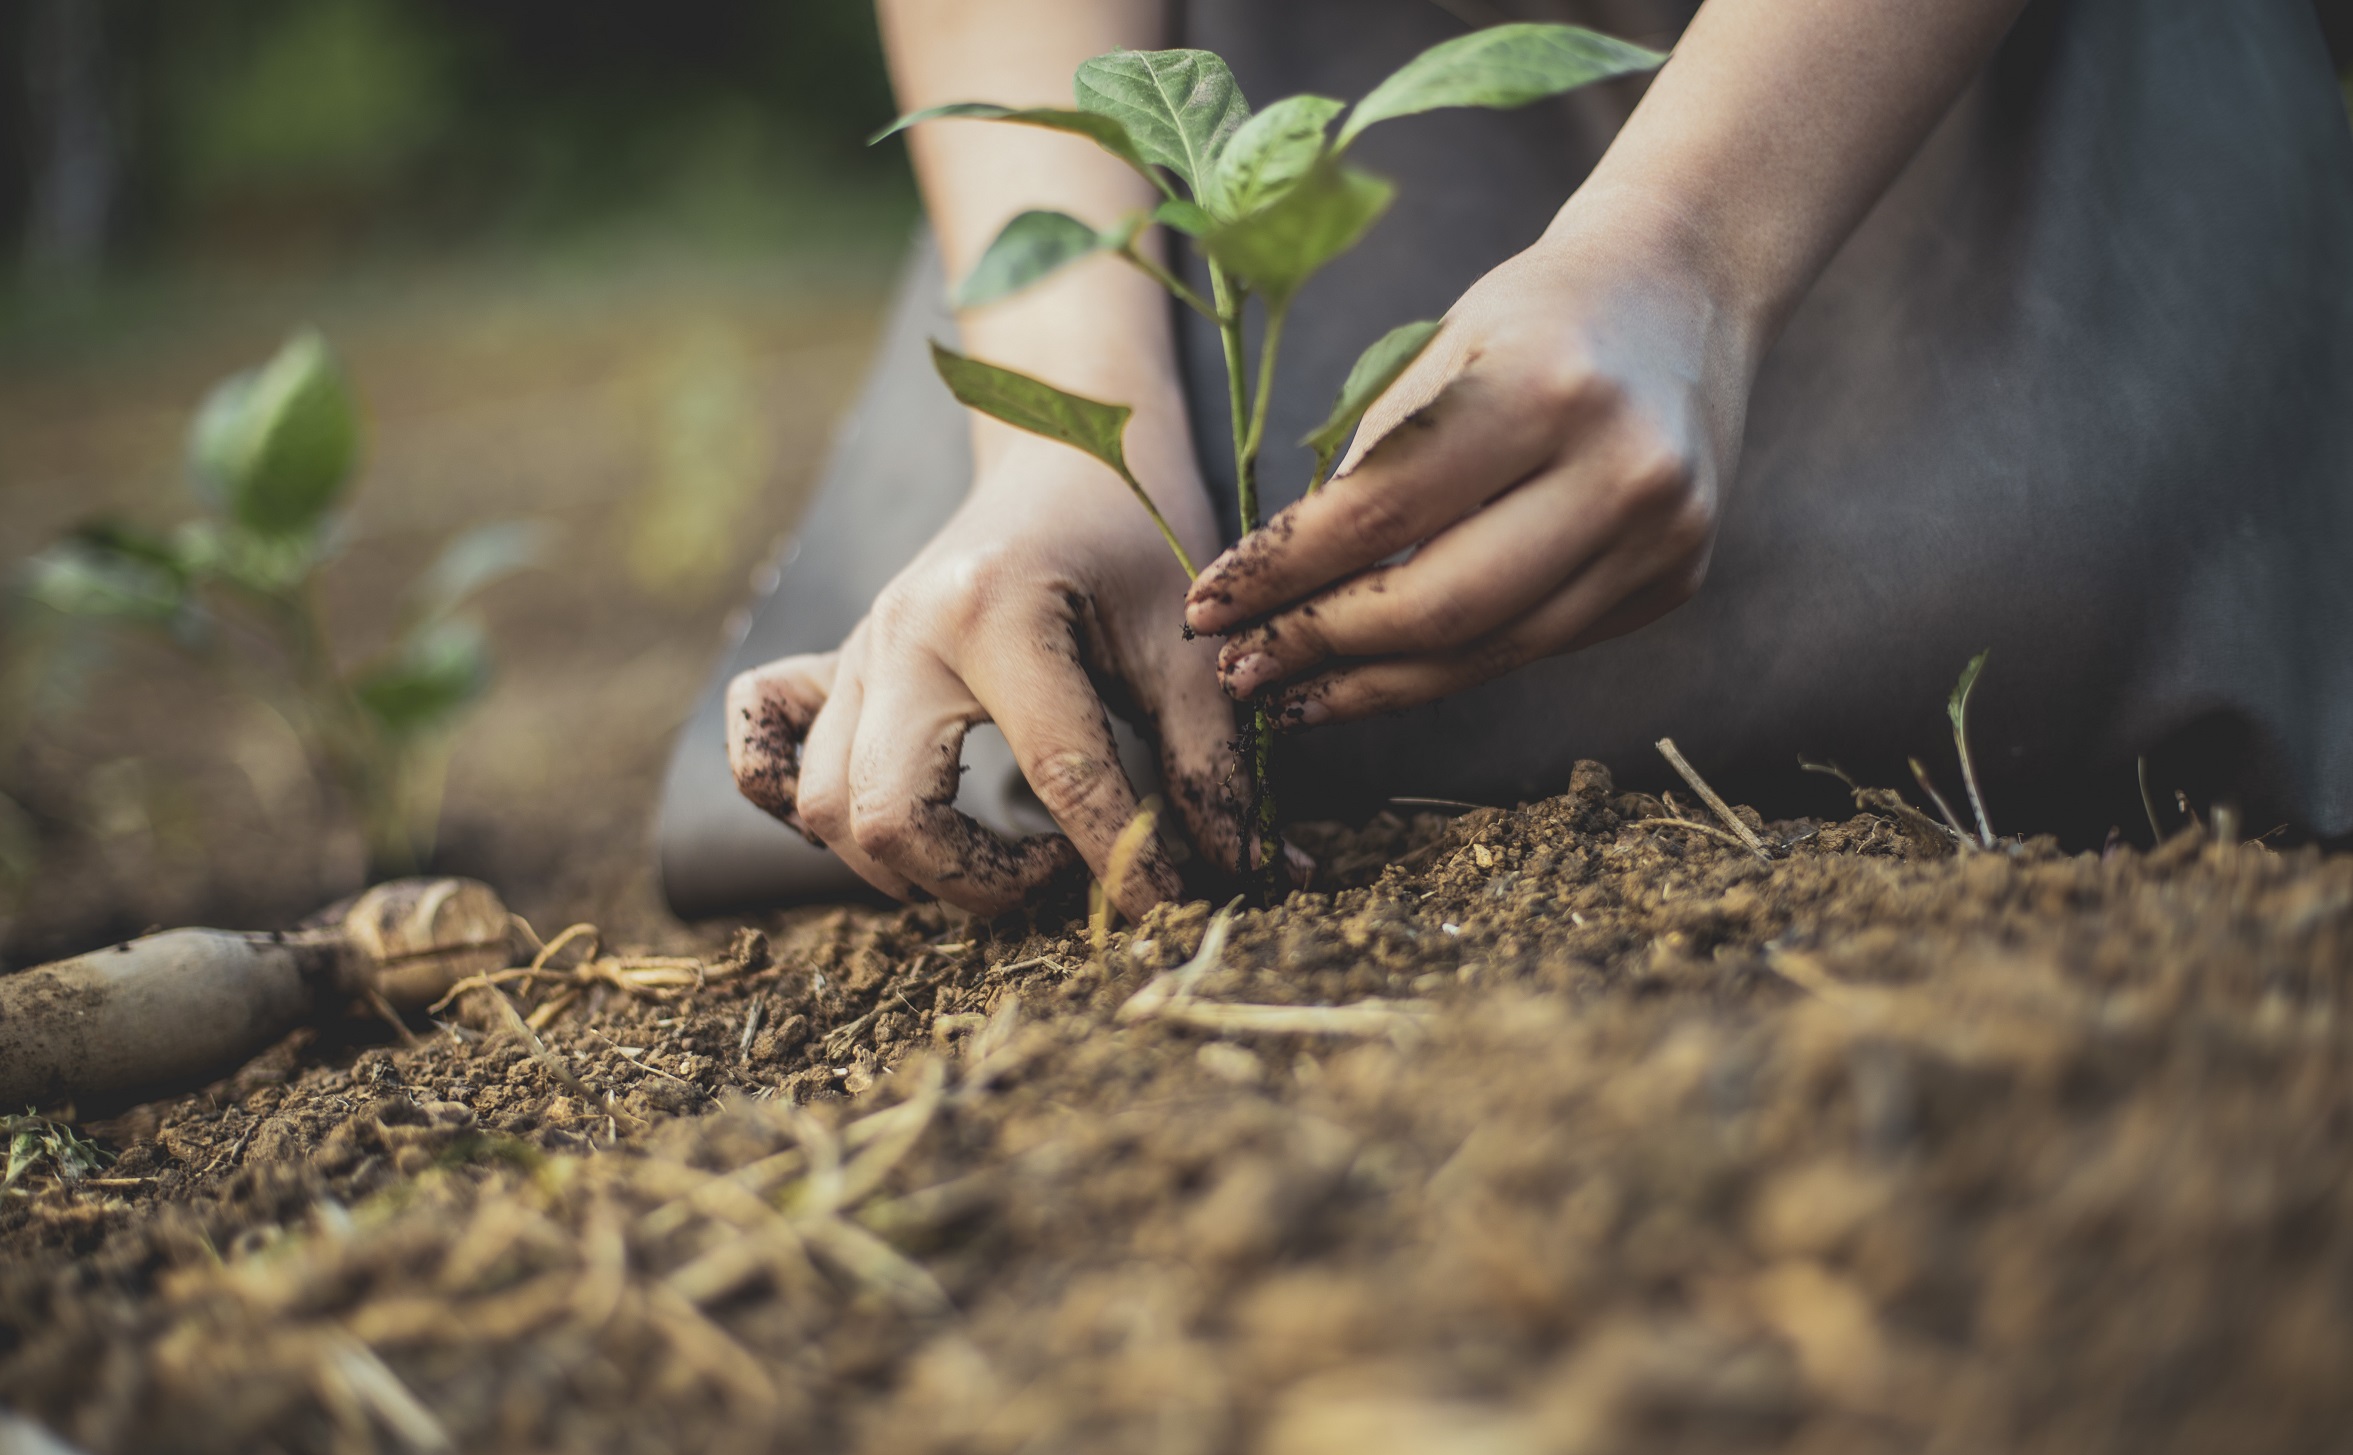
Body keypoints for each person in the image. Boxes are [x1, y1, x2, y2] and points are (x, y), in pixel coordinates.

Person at [657, 0, 2353, 922]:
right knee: (1018, 681)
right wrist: (1063, 424)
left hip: (1882, 74)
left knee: (2022, 571)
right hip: (1226, 105)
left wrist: (1694, 245)